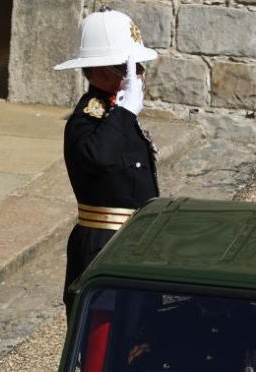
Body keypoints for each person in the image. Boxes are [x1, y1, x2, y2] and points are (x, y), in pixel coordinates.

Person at [53, 8, 161, 317]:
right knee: (104, 345)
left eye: (138, 66)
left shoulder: (116, 117)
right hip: (104, 246)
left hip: (134, 241)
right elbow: (97, 156)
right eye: (128, 67)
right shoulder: (88, 119)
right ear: (101, 72)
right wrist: (126, 112)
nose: (138, 73)